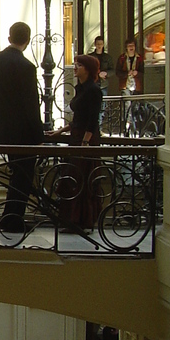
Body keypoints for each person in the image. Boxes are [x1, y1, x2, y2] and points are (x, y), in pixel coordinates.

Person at [0, 21, 45, 234]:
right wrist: (39, 134)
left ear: (9, 38)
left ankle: (9, 218)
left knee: (16, 173)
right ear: (27, 41)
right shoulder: (27, 67)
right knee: (23, 177)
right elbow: (30, 104)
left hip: (1, 130)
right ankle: (13, 219)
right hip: (23, 134)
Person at [55, 54, 103, 229]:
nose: (75, 67)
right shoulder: (81, 88)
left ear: (88, 69)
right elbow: (78, 118)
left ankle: (82, 220)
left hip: (85, 140)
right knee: (72, 176)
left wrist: (85, 142)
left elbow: (92, 119)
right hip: (77, 137)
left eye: (79, 65)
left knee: (80, 177)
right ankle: (72, 219)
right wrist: (61, 130)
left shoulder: (93, 90)